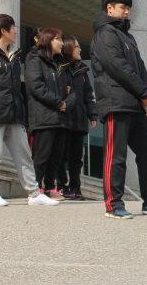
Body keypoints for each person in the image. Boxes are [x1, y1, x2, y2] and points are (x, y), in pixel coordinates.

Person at [91, 0, 147, 219]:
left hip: (135, 103)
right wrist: (141, 90)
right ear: (110, 8)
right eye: (123, 7)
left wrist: (146, 91)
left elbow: (139, 67)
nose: (127, 12)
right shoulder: (105, 33)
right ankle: (114, 204)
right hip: (116, 102)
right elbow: (117, 66)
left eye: (128, 8)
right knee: (116, 155)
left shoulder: (128, 36)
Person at [0, 13, 58, 207]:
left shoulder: (15, 55)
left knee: (24, 154)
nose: (16, 31)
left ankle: (34, 194)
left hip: (14, 113)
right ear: (3, 31)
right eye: (13, 28)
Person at [26, 28, 74, 201]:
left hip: (61, 118)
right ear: (47, 41)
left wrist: (67, 103)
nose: (61, 43)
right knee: (42, 156)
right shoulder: (35, 60)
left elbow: (72, 89)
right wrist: (59, 102)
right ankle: (36, 189)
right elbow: (37, 88)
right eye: (58, 40)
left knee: (56, 156)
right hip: (44, 117)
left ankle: (49, 188)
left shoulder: (62, 64)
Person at [56, 35, 97, 200]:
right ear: (68, 49)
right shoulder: (60, 67)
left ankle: (75, 186)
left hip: (79, 119)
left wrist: (92, 114)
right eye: (77, 46)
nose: (80, 49)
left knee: (76, 157)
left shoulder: (82, 71)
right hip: (63, 117)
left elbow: (88, 95)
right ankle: (61, 186)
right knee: (61, 155)